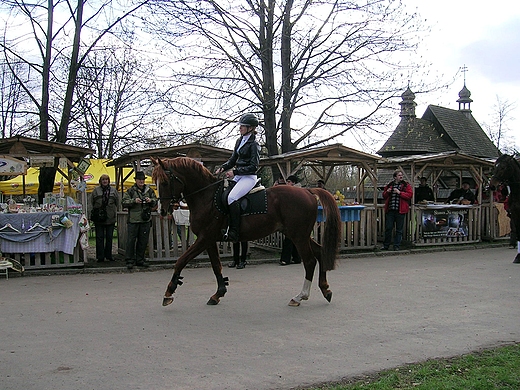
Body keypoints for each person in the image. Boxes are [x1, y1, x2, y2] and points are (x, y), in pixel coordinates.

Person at [215, 113, 261, 242]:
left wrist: (235, 172)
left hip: (248, 177)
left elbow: (253, 167)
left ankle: (234, 231)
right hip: (239, 176)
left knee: (232, 197)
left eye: (243, 126)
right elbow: (233, 159)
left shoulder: (254, 145)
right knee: (223, 194)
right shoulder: (239, 141)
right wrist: (223, 168)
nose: (240, 128)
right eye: (240, 125)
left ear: (251, 128)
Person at [122, 171, 158, 269]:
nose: (141, 181)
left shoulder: (149, 190)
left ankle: (140, 259)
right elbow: (124, 202)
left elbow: (156, 201)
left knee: (143, 241)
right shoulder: (130, 191)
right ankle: (129, 260)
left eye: (143, 179)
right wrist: (134, 201)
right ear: (136, 180)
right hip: (133, 220)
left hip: (145, 219)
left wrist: (150, 201)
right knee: (131, 241)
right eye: (139, 180)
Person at [90, 174, 119, 263]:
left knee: (109, 237)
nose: (105, 181)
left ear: (109, 181)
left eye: (106, 179)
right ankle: (100, 256)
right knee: (99, 237)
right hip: (99, 218)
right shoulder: (96, 191)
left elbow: (117, 202)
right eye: (103, 179)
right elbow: (91, 202)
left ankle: (109, 255)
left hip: (110, 217)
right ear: (100, 181)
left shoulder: (113, 191)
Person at [382, 169, 413, 251]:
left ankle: (397, 245)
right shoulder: (390, 185)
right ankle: (386, 245)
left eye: (401, 175)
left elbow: (409, 195)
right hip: (391, 210)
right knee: (388, 228)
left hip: (400, 210)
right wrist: (387, 192)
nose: (401, 176)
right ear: (395, 177)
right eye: (399, 175)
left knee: (399, 229)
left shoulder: (406, 185)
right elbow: (384, 196)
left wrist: (400, 193)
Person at [279, 175, 301, 265]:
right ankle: (297, 258)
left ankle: (285, 258)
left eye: (289, 182)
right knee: (293, 239)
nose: (287, 183)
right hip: (293, 217)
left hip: (294, 218)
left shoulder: (296, 192)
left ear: (293, 183)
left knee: (289, 239)